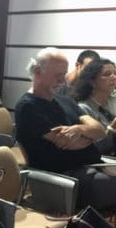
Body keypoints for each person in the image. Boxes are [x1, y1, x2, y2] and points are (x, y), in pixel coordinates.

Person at [14, 47, 116, 214]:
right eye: (58, 75)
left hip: (92, 167)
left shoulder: (64, 100)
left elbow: (99, 131)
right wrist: (88, 134)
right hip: (65, 180)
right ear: (38, 72)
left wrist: (78, 129)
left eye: (64, 74)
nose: (63, 80)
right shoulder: (28, 107)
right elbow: (69, 143)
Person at [72, 58, 116, 154]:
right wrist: (112, 128)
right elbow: (95, 148)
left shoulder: (113, 100)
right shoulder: (83, 108)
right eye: (107, 74)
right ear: (92, 81)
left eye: (115, 73)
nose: (114, 77)